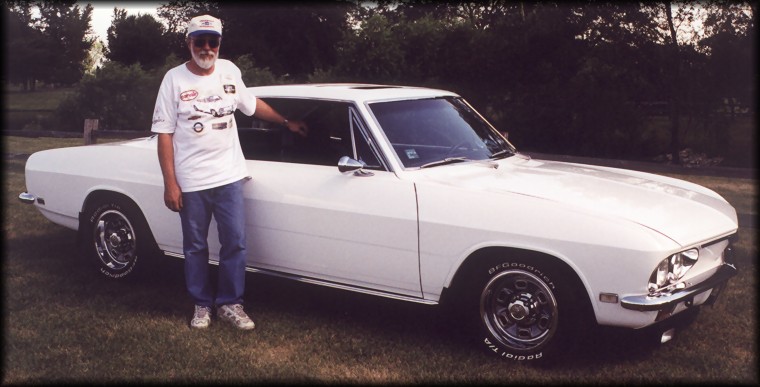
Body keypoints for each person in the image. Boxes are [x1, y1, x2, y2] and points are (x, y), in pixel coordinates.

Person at [151, 15, 307, 330]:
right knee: (195, 246)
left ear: (219, 43)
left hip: (230, 177)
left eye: (213, 41)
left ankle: (230, 304)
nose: (206, 48)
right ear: (189, 42)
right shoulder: (173, 79)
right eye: (200, 41)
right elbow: (164, 134)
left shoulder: (230, 70)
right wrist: (171, 184)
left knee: (235, 241)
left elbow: (251, 105)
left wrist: (285, 121)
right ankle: (201, 305)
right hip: (191, 181)